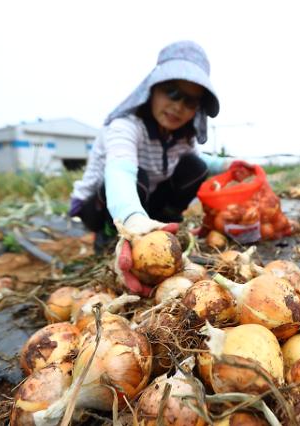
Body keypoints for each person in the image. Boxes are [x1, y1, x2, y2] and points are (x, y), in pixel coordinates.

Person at [69, 40, 234, 296]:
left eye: (190, 101)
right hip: (100, 205)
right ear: (153, 89)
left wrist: (231, 165)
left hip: (144, 202)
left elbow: (204, 161)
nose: (179, 106)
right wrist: (133, 221)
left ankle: (159, 228)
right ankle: (111, 236)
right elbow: (119, 173)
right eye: (173, 92)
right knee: (140, 176)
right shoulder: (125, 126)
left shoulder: (181, 136)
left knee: (195, 166)